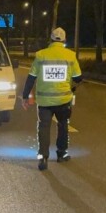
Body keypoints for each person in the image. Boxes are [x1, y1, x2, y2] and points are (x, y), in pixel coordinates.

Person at [21, 27, 83, 171]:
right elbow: (78, 78)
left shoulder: (41, 55)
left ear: (50, 39)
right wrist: (72, 87)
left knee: (43, 127)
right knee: (63, 126)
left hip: (44, 101)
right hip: (64, 100)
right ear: (64, 40)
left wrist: (25, 96)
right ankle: (61, 154)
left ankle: (43, 157)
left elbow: (31, 77)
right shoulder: (70, 56)